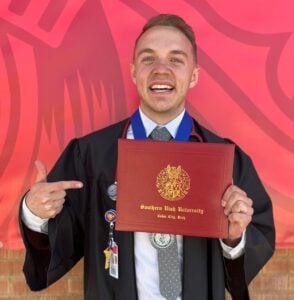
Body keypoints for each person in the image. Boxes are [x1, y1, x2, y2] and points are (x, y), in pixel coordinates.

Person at [20, 14, 275, 300]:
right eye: (148, 58)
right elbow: (60, 244)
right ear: (133, 72)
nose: (161, 70)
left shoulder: (225, 159)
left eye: (176, 59)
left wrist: (235, 236)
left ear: (193, 75)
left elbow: (255, 242)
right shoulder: (91, 155)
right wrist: (35, 213)